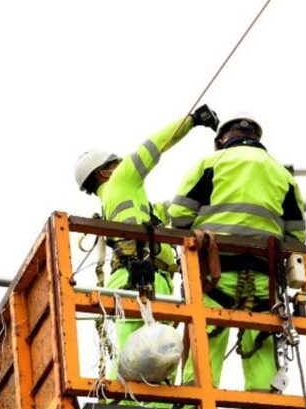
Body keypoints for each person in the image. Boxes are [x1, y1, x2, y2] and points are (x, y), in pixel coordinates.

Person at [167, 112, 306, 406]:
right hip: (265, 282)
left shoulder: (211, 164)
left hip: (214, 274)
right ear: (257, 137)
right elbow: (297, 237)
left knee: (205, 348)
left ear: (221, 140)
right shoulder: (283, 176)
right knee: (262, 354)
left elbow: (178, 216)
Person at [74, 106, 219, 381]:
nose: (123, 165)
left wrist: (205, 190)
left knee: (151, 354)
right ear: (105, 173)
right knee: (146, 354)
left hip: (140, 278)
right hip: (140, 277)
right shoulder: (121, 180)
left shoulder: (127, 203)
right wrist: (191, 121)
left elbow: (172, 211)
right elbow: (154, 146)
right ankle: (126, 402)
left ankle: (134, 402)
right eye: (117, 163)